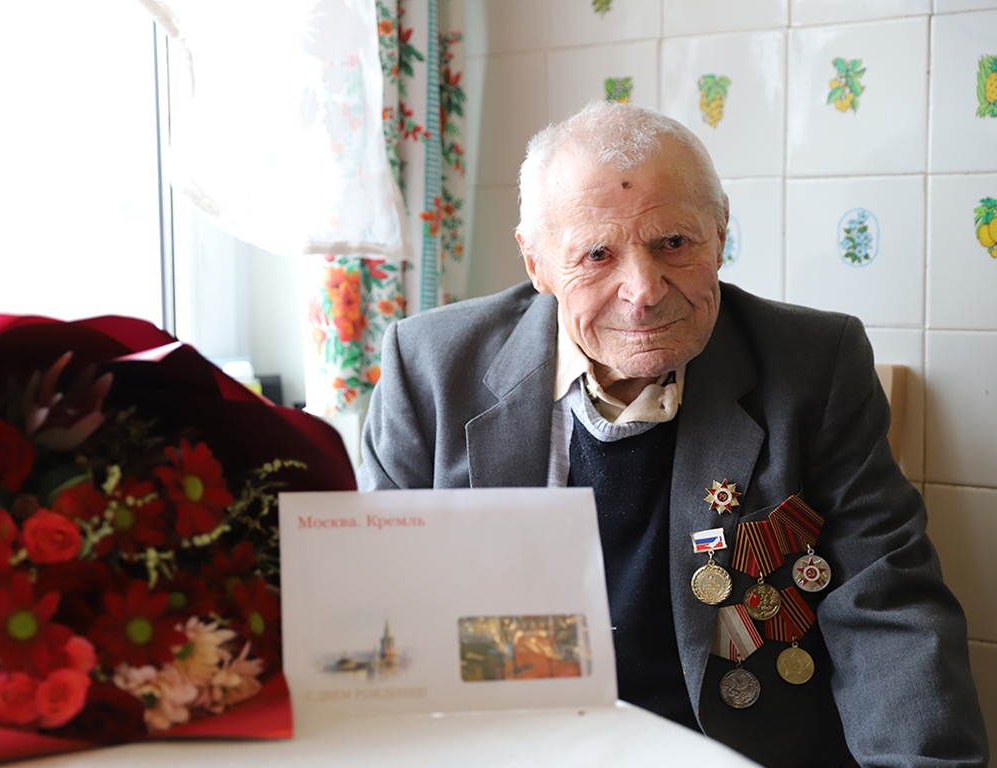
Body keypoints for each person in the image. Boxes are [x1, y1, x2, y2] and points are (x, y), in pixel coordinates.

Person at [356, 101, 989, 767]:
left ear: (720, 232)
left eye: (674, 244)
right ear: (537, 263)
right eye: (597, 254)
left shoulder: (813, 364)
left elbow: (884, 605)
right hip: (510, 744)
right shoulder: (429, 369)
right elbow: (382, 609)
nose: (644, 290)